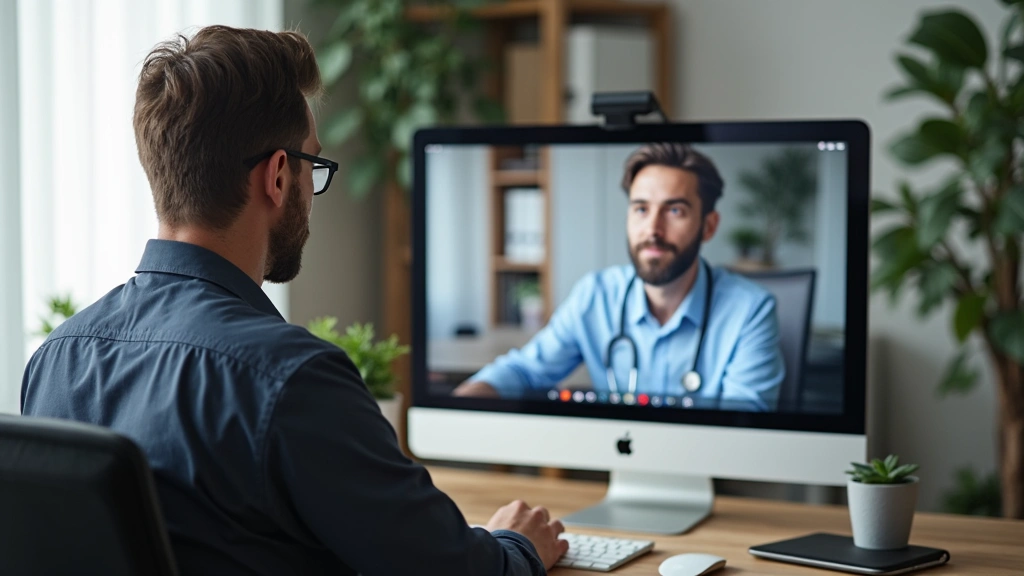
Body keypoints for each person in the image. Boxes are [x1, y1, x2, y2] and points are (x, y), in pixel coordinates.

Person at [21, 25, 566, 576]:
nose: (313, 190)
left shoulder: (56, 360)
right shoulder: (290, 378)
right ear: (279, 176)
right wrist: (516, 545)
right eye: (314, 166)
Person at [453, 143, 785, 412]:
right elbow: (525, 371)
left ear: (709, 226)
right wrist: (461, 401)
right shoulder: (596, 294)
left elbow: (747, 423)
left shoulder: (749, 311)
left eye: (675, 211)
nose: (653, 230)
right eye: (641, 209)